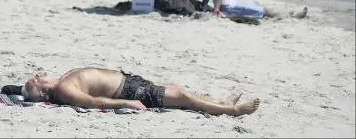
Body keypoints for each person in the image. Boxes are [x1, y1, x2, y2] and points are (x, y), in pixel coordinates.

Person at [21, 67, 260, 116]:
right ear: (43, 93)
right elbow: (93, 102)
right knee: (184, 98)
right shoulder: (63, 90)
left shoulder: (61, 83)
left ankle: (218, 100)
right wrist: (126, 103)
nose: (39, 74)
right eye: (36, 79)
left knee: (178, 91)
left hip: (130, 82)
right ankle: (233, 110)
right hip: (130, 91)